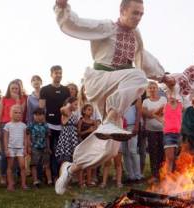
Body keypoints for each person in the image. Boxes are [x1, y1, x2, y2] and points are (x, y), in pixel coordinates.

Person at [53, 0, 174, 194]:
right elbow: (77, 24)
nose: (138, 18)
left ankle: (70, 168)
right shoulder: (107, 27)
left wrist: (163, 76)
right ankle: (109, 120)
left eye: (141, 14)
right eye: (135, 13)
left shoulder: (136, 36)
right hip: (99, 81)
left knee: (109, 150)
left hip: (116, 92)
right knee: (138, 76)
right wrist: (62, 7)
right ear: (122, 11)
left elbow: (144, 57)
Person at [39, 65, 70, 180]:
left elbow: (68, 108)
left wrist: (65, 121)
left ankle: (60, 175)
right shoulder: (45, 89)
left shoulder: (65, 90)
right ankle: (50, 176)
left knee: (61, 151)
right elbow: (41, 108)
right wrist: (43, 124)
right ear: (51, 74)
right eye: (56, 73)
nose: (59, 75)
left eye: (60, 73)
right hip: (49, 124)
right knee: (49, 150)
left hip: (62, 125)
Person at [0, 80, 25, 185]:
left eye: (16, 88)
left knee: (17, 152)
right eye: (12, 88)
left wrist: (17, 100)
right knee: (5, 153)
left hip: (17, 127)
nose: (14, 90)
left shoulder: (22, 99)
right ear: (9, 89)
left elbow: (20, 112)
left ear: (19, 89)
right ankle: (3, 175)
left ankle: (13, 175)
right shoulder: (3, 99)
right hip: (5, 126)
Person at [142, 81, 166, 181]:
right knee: (153, 153)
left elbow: (164, 111)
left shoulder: (163, 99)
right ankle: (155, 175)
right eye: (150, 88)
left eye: (154, 87)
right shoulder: (145, 102)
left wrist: (151, 113)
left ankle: (163, 174)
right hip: (150, 130)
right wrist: (156, 113)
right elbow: (144, 114)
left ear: (157, 89)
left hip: (163, 130)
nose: (152, 89)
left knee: (162, 152)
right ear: (147, 90)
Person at [3, 105, 28, 191]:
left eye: (19, 113)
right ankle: (10, 184)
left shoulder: (23, 126)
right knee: (10, 166)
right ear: (11, 113)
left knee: (22, 166)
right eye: (15, 112)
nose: (18, 114)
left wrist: (25, 149)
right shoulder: (7, 125)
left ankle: (23, 184)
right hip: (11, 148)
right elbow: (5, 138)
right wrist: (6, 149)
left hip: (20, 148)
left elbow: (25, 138)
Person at [27, 108, 52, 187]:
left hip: (44, 147)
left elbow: (47, 137)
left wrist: (48, 147)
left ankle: (49, 181)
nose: (38, 117)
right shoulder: (31, 125)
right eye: (36, 115)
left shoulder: (46, 125)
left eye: (40, 115)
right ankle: (35, 181)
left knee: (46, 164)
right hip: (34, 147)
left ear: (43, 116)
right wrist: (29, 146)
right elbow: (28, 136)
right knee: (34, 164)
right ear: (33, 116)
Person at [77, 103, 100, 187]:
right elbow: (78, 133)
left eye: (92, 110)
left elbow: (96, 133)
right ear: (83, 111)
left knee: (89, 163)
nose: (91, 112)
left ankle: (89, 181)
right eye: (89, 110)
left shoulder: (94, 122)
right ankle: (81, 182)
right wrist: (88, 130)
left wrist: (94, 130)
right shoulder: (81, 121)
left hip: (91, 144)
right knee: (81, 163)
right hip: (82, 144)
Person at [121, 99, 143, 183]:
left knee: (132, 151)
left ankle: (138, 176)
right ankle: (130, 175)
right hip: (122, 127)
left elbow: (138, 113)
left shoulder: (137, 97)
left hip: (132, 126)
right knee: (125, 151)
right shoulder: (123, 96)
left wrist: (136, 126)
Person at [162, 88, 183, 174]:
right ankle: (167, 180)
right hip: (168, 135)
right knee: (170, 158)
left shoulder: (180, 105)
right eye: (169, 94)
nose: (171, 96)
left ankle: (176, 179)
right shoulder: (165, 106)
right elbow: (154, 114)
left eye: (173, 94)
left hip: (179, 134)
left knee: (178, 159)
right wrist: (163, 121)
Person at [55, 97, 80, 164]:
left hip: (73, 135)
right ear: (70, 104)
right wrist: (69, 104)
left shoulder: (73, 113)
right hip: (67, 135)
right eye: (75, 104)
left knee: (73, 153)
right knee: (66, 153)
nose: (76, 106)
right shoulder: (65, 112)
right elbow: (63, 109)